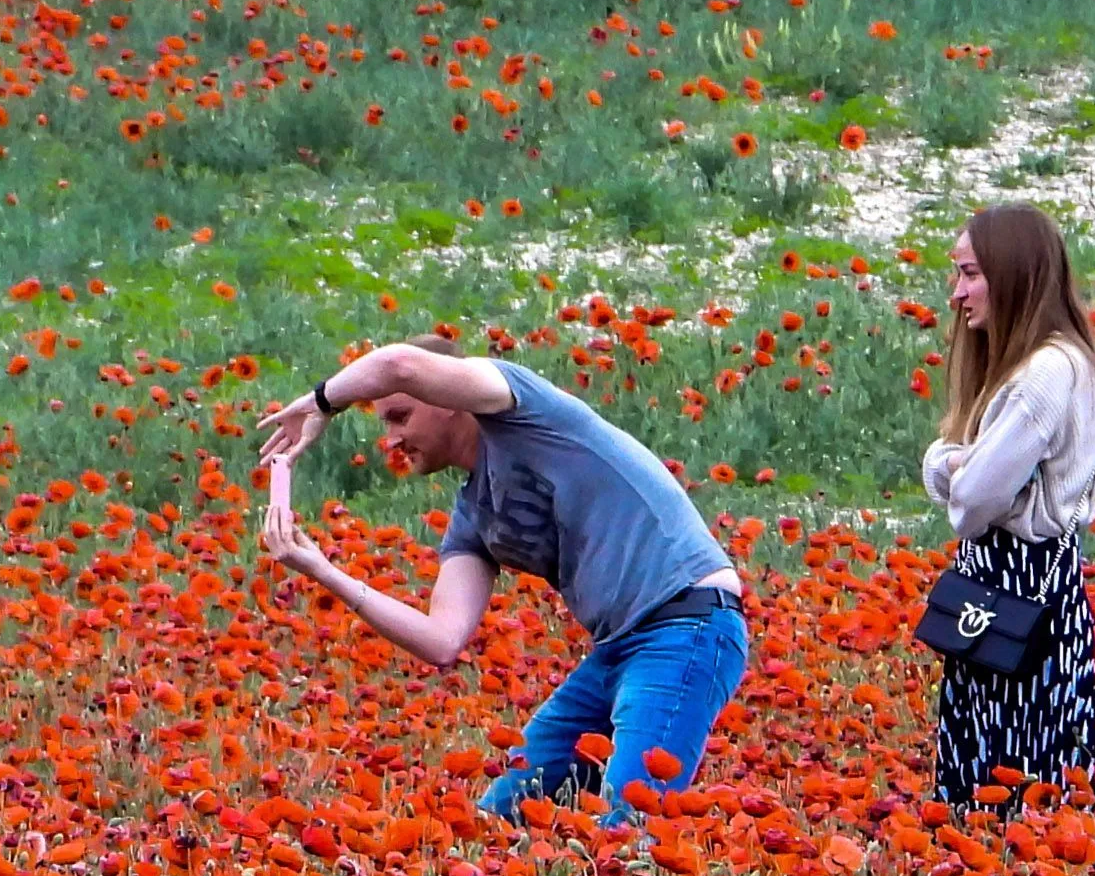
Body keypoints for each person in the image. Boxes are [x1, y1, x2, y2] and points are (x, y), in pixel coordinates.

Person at [254, 340, 748, 823]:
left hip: (687, 623)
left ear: (446, 399)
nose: (392, 440)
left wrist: (321, 403)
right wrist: (321, 568)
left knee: (634, 825)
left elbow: (399, 364)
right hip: (616, 650)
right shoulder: (474, 515)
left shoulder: (523, 409)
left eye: (400, 417)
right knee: (499, 818)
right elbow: (441, 640)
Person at [922, 202, 1095, 804]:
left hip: (1016, 592)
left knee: (1008, 777)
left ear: (1014, 275)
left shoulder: (1044, 374)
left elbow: (973, 501)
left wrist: (953, 464)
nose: (958, 292)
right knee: (1029, 771)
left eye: (971, 273)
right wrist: (957, 464)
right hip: (1033, 594)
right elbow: (966, 474)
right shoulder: (1057, 364)